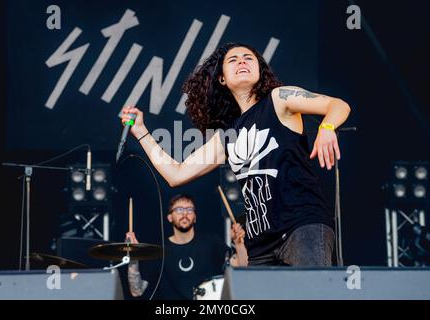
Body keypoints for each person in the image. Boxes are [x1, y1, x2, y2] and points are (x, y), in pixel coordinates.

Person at [121, 42, 351, 267]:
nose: (242, 61)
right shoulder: (226, 135)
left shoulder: (279, 99)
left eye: (249, 58)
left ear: (260, 71)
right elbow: (176, 174)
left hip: (302, 225)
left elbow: (338, 105)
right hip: (260, 242)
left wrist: (327, 127)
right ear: (222, 78)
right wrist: (141, 131)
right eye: (233, 60)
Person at [126, 193, 247, 299]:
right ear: (169, 217)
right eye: (179, 209)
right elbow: (137, 291)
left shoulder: (211, 242)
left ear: (195, 217)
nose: (184, 213)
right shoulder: (158, 250)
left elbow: (241, 268)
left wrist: (239, 244)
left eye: (189, 209)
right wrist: (133, 257)